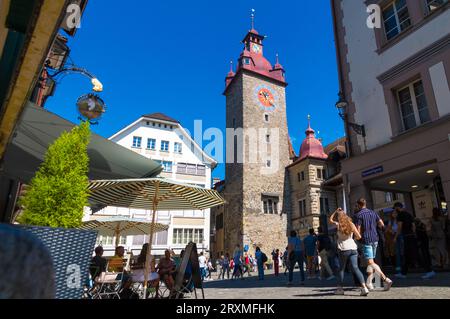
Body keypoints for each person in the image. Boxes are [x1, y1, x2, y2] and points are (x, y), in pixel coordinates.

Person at [330, 208, 370, 296]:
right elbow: (359, 236)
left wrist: (335, 211)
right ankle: (364, 287)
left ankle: (340, 289)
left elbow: (330, 219)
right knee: (356, 268)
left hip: (343, 249)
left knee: (342, 269)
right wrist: (351, 239)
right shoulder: (351, 224)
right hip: (353, 248)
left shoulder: (338, 225)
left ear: (339, 218)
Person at [355, 198, 393, 291]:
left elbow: (358, 230)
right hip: (375, 239)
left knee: (371, 262)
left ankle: (385, 279)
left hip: (366, 240)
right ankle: (369, 283)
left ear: (359, 205)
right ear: (365, 204)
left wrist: (357, 239)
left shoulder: (359, 215)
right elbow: (381, 224)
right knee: (370, 262)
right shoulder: (373, 212)